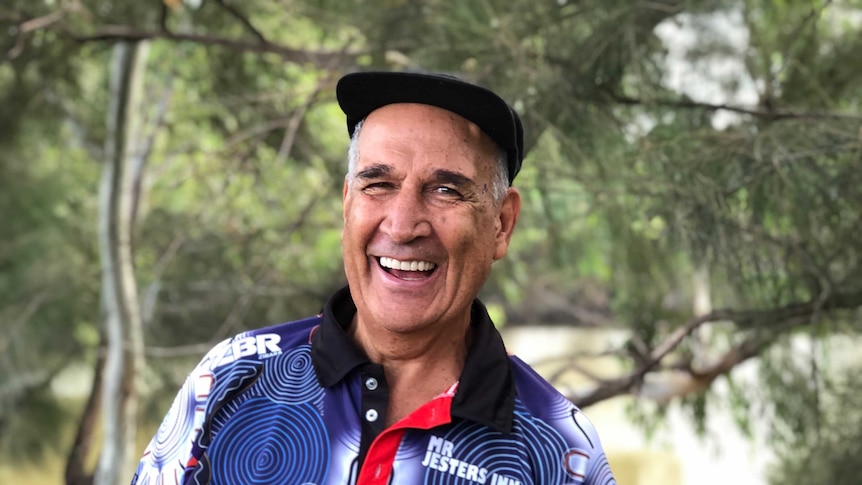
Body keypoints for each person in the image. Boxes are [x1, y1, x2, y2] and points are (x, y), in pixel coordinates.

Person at [131, 71, 617, 485]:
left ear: (501, 225)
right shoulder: (233, 378)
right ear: (348, 203)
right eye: (378, 185)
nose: (403, 225)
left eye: (446, 190)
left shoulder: (557, 448)